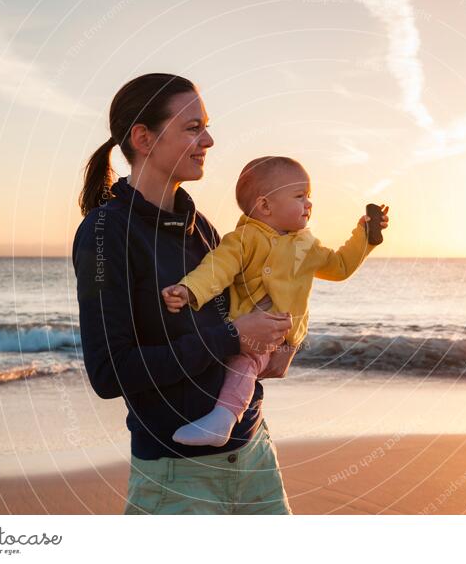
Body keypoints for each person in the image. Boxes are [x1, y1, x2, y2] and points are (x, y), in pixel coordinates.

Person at [72, 73, 293, 514]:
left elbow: (229, 336)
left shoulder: (204, 229)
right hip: (177, 478)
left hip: (254, 458)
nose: (208, 139)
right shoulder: (104, 234)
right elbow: (109, 373)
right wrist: (233, 337)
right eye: (192, 128)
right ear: (143, 138)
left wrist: (269, 346)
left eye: (206, 126)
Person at [162, 156, 389, 446]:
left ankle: (225, 419)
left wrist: (365, 236)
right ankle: (224, 419)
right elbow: (216, 269)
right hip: (254, 330)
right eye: (299, 196)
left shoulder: (307, 245)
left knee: (246, 365)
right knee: (244, 363)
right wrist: (189, 290)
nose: (309, 203)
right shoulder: (244, 239)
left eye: (309, 196)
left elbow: (340, 266)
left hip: (284, 334)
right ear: (266, 206)